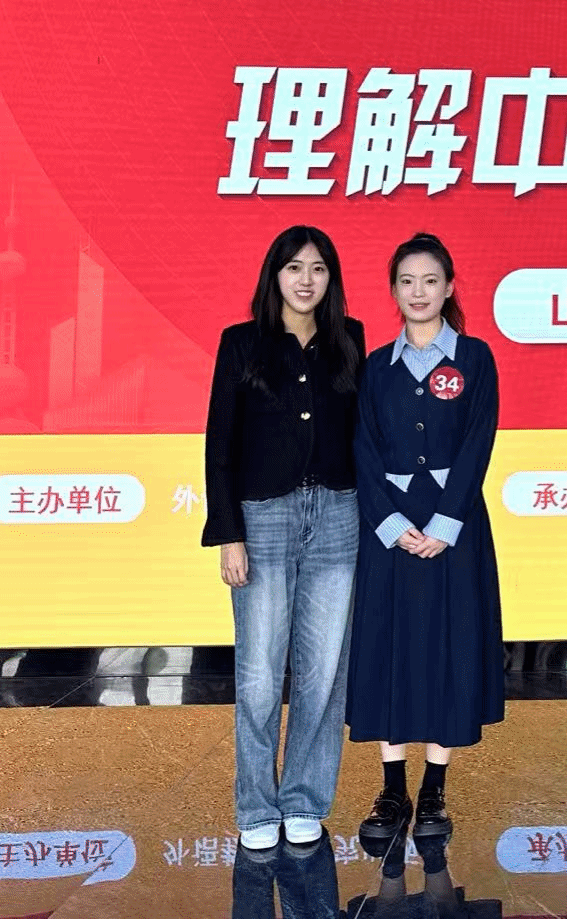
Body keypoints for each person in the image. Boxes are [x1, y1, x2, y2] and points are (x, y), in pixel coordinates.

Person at [203, 226, 366, 851]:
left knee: (323, 671)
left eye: (318, 268)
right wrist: (229, 533)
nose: (306, 279)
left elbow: (362, 435)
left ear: (331, 279)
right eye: (294, 267)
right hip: (263, 518)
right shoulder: (242, 343)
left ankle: (304, 800)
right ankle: (255, 808)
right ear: (274, 275)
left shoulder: (349, 340)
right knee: (260, 673)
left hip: (339, 515)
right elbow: (220, 444)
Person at [348, 233, 503, 845]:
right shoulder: (374, 367)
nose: (418, 292)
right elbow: (361, 448)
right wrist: (388, 523)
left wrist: (445, 524)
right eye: (407, 281)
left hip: (453, 526)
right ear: (393, 290)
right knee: (387, 646)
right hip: (388, 528)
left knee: (448, 647)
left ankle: (435, 788)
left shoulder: (475, 358)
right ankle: (393, 789)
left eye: (430, 281)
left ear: (449, 287)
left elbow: (478, 442)